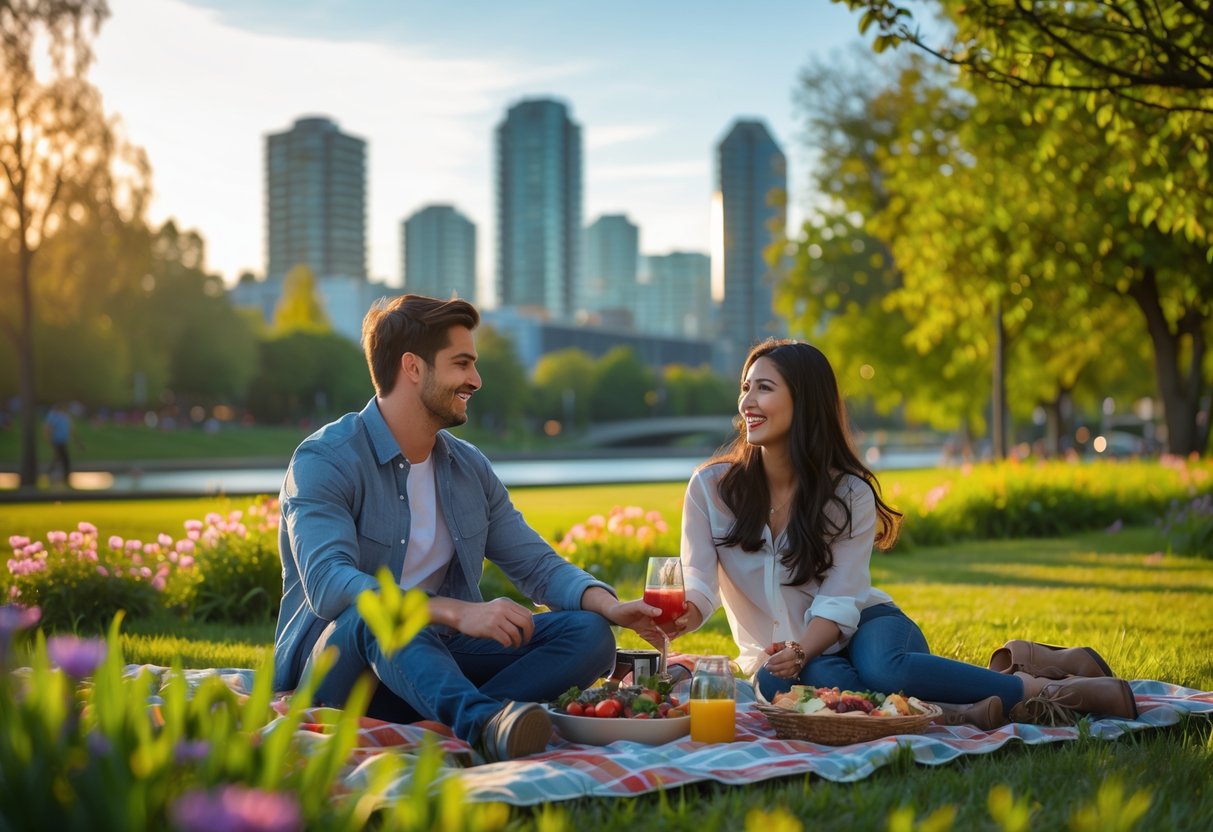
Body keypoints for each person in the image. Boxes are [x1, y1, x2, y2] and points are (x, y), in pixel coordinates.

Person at [661, 338, 1137, 728]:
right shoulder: (711, 488)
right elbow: (699, 581)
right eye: (745, 388)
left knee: (881, 668)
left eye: (763, 388)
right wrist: (679, 616)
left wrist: (803, 647)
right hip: (785, 660)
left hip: (865, 623)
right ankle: (953, 712)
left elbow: (841, 600)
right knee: (781, 683)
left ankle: (1050, 690)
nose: (747, 402)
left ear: (803, 401)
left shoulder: (847, 494)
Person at [272, 294, 660, 761]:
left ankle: (458, 721)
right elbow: (330, 584)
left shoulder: (467, 468)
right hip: (343, 673)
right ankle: (482, 723)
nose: (475, 380)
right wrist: (456, 612)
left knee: (590, 635)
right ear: (413, 368)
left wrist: (610, 607)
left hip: (439, 665)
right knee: (375, 611)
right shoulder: (325, 459)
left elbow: (535, 564)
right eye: (462, 364)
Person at [43, 403, 77, 486]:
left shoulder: (65, 416)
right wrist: (49, 439)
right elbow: (48, 428)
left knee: (60, 457)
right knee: (61, 457)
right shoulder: (53, 416)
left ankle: (60, 474)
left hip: (63, 440)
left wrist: (77, 441)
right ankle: (53, 474)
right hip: (57, 440)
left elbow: (70, 428)